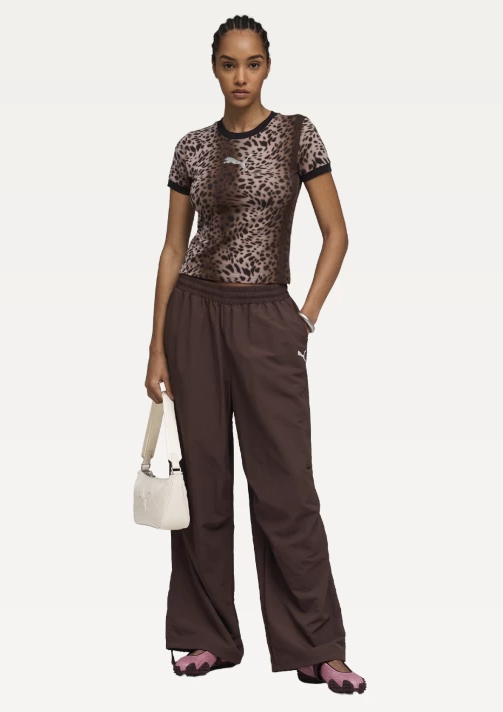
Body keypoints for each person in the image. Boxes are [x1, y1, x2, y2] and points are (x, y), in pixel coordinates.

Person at [145, 14, 366, 696]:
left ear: (267, 66)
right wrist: (156, 345)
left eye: (252, 63)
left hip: (268, 317)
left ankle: (317, 647)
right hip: (194, 316)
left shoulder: (298, 134)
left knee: (286, 490)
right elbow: (173, 248)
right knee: (202, 483)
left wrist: (305, 317)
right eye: (229, 64)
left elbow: (336, 233)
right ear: (214, 67)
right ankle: (208, 636)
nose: (240, 76)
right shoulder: (190, 148)